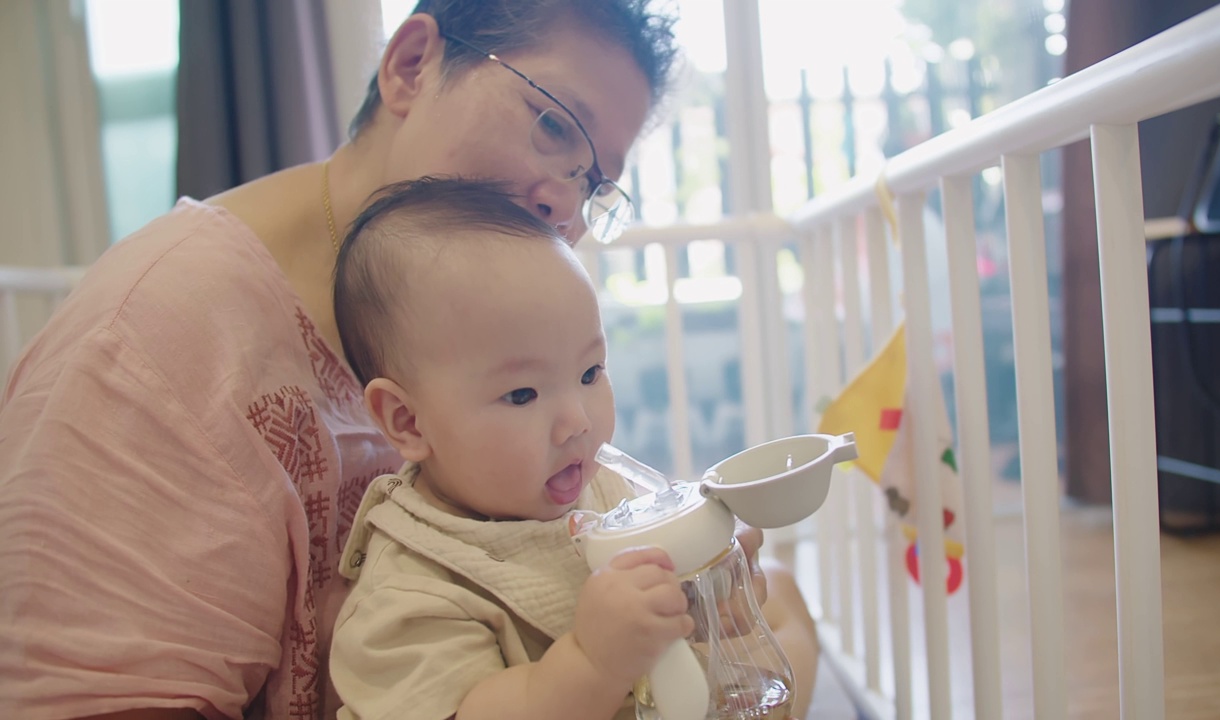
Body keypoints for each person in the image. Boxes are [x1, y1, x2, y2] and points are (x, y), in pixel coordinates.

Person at [0, 2, 816, 719]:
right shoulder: (153, 343)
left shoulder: (475, 339)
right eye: (554, 123)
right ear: (411, 64)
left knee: (779, 620)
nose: (562, 203)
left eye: (591, 180)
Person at [325, 176, 693, 720]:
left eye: (591, 372)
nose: (577, 422)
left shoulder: (588, 483)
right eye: (522, 394)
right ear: (408, 421)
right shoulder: (410, 594)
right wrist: (592, 662)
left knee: (783, 604)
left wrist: (708, 574)